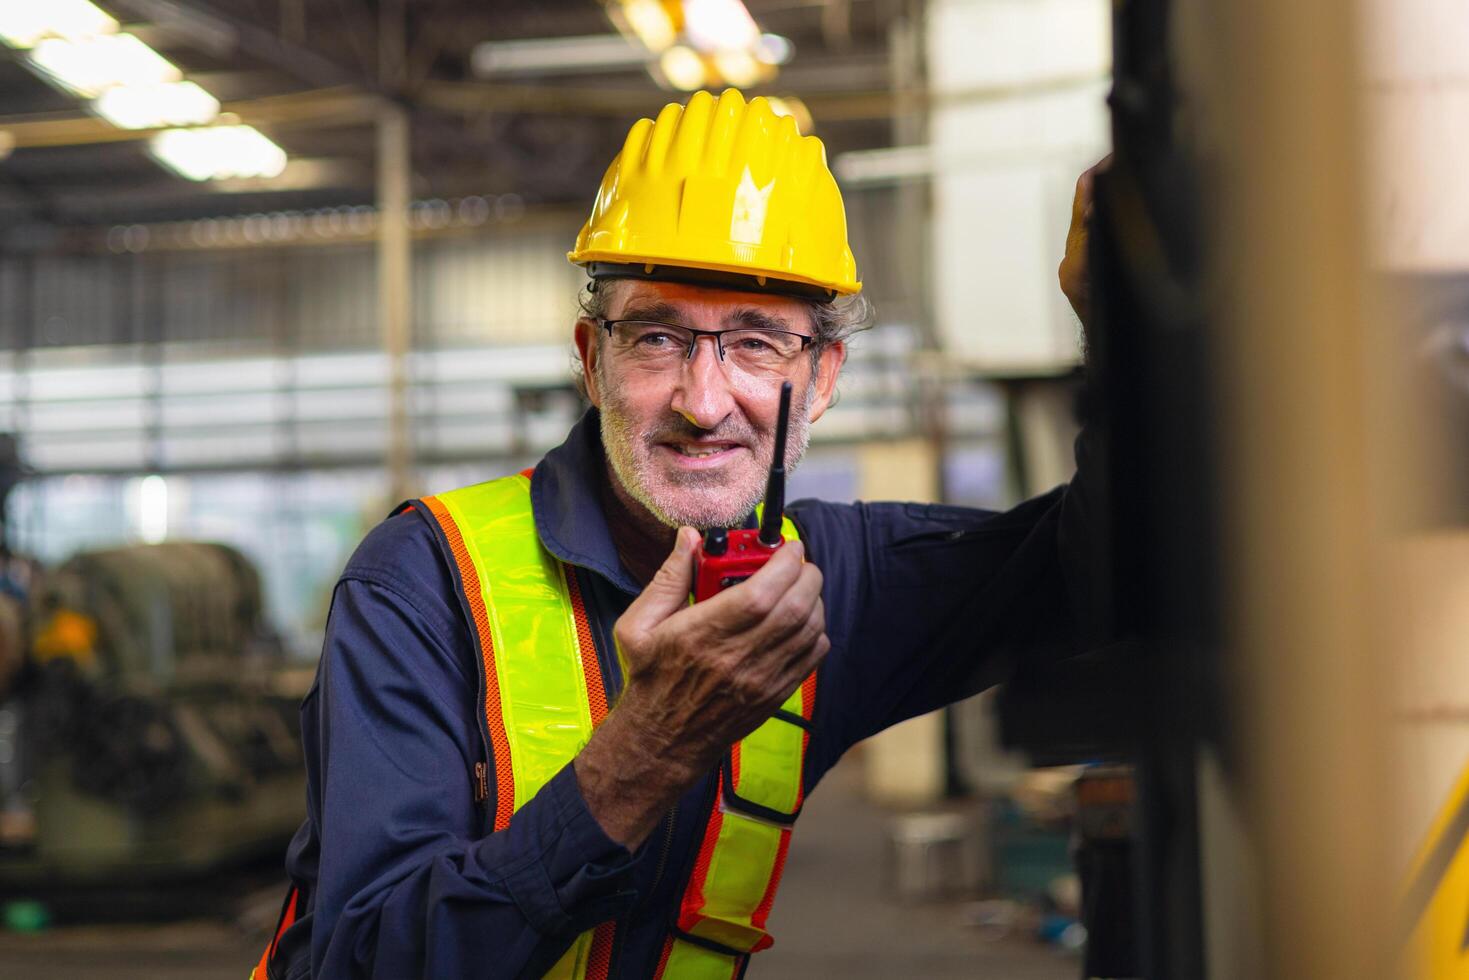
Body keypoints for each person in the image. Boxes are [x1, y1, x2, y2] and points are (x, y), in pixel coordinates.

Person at [254, 89, 1106, 980]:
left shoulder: (825, 583)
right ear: (591, 360)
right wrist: (642, 752)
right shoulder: (423, 585)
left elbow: (1101, 570)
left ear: (820, 380)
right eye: (656, 337)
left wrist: (1119, 322)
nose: (703, 404)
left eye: (755, 343)